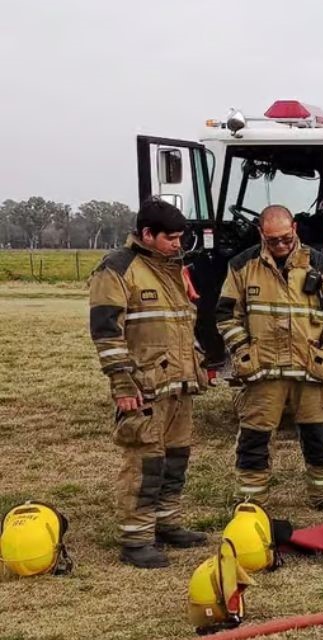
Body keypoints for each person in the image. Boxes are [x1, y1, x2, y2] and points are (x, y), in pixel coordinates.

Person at [89, 197, 210, 568]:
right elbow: (106, 334)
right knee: (145, 462)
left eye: (179, 237)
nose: (177, 244)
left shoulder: (172, 268)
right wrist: (123, 386)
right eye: (171, 238)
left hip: (178, 385)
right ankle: (136, 538)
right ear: (147, 234)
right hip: (144, 389)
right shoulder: (117, 270)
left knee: (175, 460)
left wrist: (197, 363)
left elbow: (181, 323)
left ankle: (166, 523)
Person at [214, 205, 323, 513]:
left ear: (295, 228)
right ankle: (251, 499)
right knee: (254, 438)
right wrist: (242, 351)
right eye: (273, 239)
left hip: (310, 370)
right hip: (263, 372)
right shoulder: (242, 266)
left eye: (285, 238)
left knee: (319, 437)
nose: (280, 245)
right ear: (260, 233)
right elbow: (226, 314)